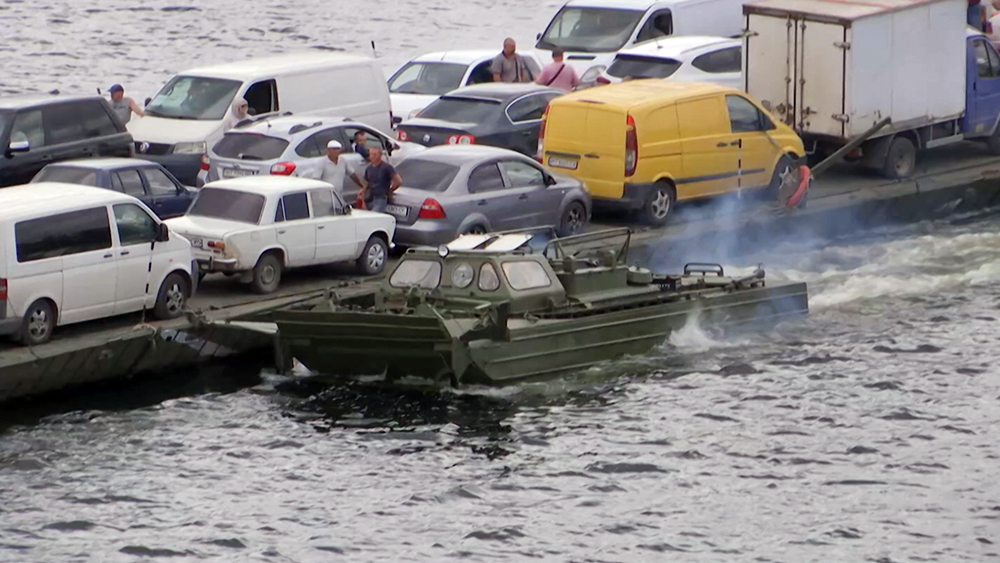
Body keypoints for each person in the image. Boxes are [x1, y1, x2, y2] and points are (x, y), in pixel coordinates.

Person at [361, 147, 401, 213]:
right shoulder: (369, 168)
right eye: (371, 154)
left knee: (374, 217)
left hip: (380, 198)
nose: (372, 156)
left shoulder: (387, 167)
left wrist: (390, 190)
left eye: (375, 154)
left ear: (380, 155)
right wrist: (363, 199)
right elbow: (365, 185)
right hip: (369, 198)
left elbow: (398, 181)